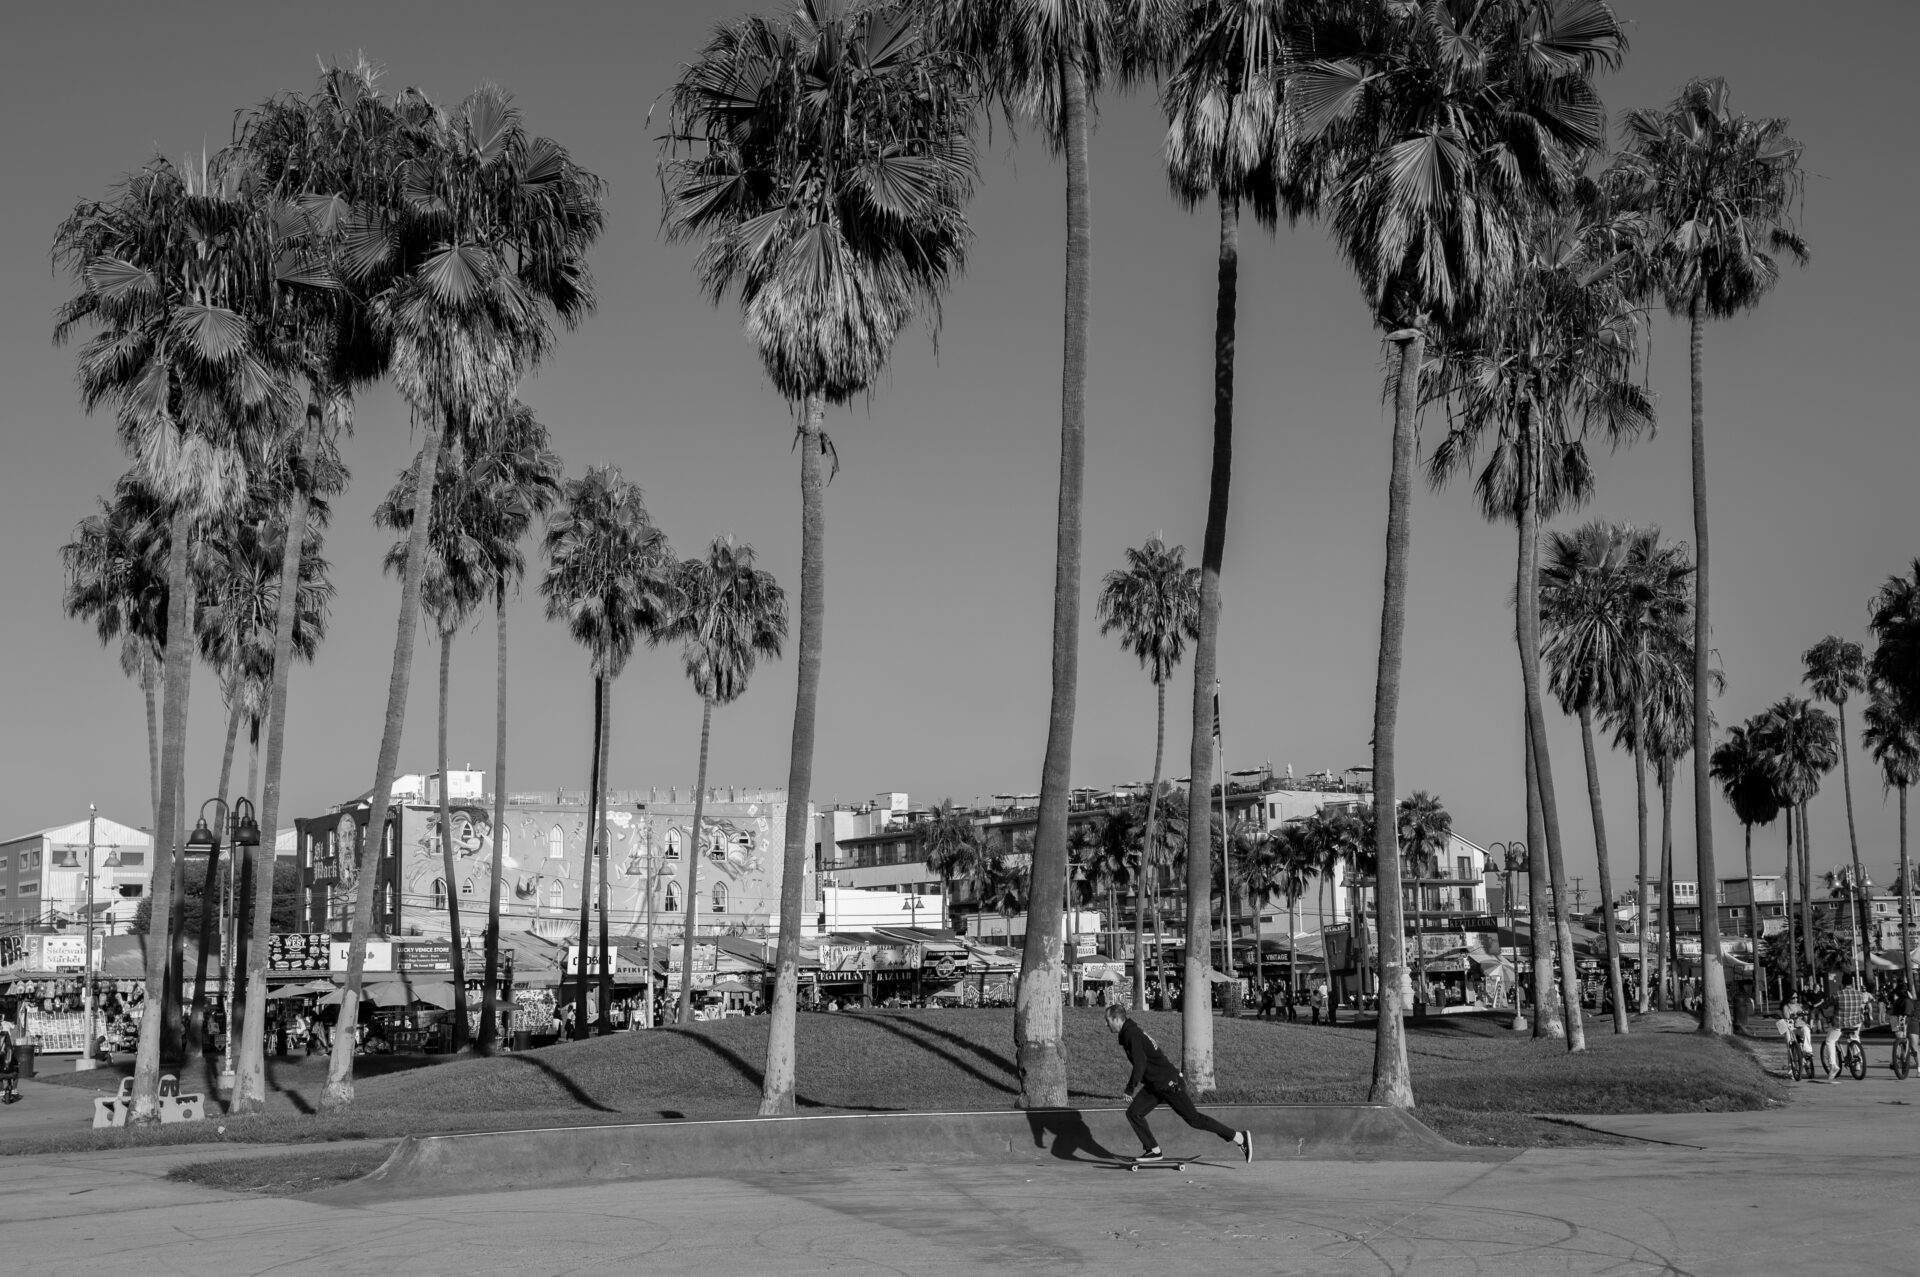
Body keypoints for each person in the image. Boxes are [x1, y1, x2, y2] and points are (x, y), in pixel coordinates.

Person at [1105, 1005, 1250, 1164]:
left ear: (1117, 1019)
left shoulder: (1132, 1034)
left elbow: (1140, 1064)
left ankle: (1239, 1137)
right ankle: (1153, 1150)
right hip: (1156, 1084)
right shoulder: (1130, 1033)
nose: (1106, 1024)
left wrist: (1129, 1089)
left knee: (1194, 1119)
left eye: (1108, 1021)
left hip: (1169, 1083)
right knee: (1134, 1113)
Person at [1823, 971, 1868, 1083]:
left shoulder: (1837, 994)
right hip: (1855, 1022)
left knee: (1830, 1041)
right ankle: (1857, 1062)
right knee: (1854, 1038)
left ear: (1842, 983)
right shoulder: (1859, 994)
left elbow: (1826, 1005)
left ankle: (1833, 1065)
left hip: (1840, 1023)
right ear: (1852, 983)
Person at [0, 1026, 19, 1104]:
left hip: (2, 1074)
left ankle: (1, 1090)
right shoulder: (11, 1053)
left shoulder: (0, 1054)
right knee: (17, 1075)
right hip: (11, 1074)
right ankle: (14, 1089)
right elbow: (16, 1062)